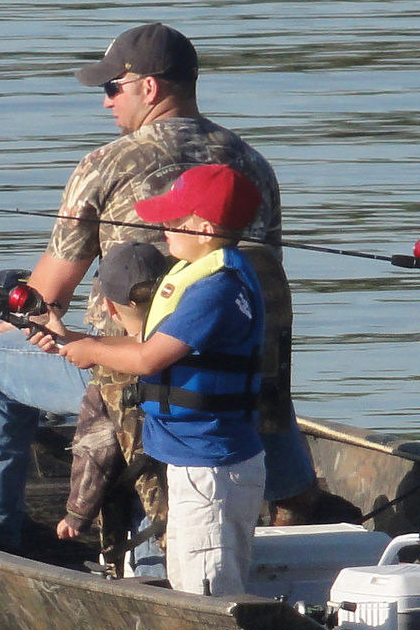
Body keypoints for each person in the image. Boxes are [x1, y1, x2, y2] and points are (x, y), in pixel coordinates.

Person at [0, 23, 313, 553]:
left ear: (149, 87)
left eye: (111, 88)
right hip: (244, 384)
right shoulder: (254, 168)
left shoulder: (105, 165)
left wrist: (17, 305)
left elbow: (48, 295)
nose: (105, 104)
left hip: (131, 381)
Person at [41, 164, 267, 598]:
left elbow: (148, 358)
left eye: (174, 220)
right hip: (195, 462)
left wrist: (90, 352)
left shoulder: (215, 289)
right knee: (187, 586)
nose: (163, 229)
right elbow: (147, 344)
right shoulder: (202, 277)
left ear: (203, 229)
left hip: (211, 469)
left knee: (208, 595)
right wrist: (75, 339)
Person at [56, 240, 170, 565]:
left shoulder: (109, 371)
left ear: (109, 307)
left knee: (132, 504)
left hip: (155, 509)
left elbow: (96, 450)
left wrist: (77, 514)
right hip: (207, 487)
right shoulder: (187, 344)